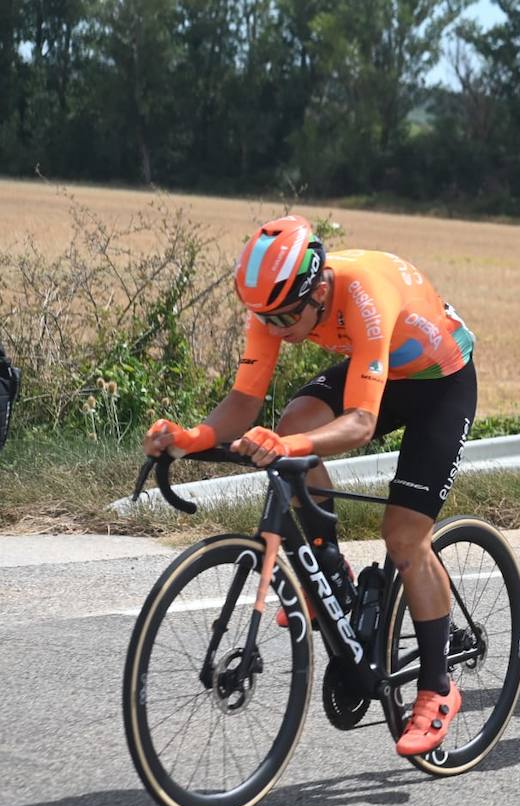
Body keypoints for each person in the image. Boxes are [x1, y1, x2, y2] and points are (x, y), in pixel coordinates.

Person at [142, 215, 475, 757]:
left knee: (404, 537)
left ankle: (437, 688)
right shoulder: (276, 305)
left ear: (319, 289)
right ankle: (331, 570)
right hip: (388, 371)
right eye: (263, 318)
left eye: (286, 317)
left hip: (441, 382)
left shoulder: (363, 293)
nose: (274, 329)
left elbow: (361, 425)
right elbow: (244, 404)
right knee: (295, 420)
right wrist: (189, 437)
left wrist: (284, 447)